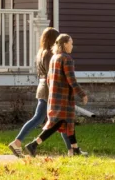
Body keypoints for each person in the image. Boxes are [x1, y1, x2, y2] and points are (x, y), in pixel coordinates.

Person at [22, 32, 87, 157]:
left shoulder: (54, 58)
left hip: (54, 96)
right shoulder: (67, 59)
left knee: (66, 123)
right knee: (57, 124)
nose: (72, 46)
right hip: (63, 98)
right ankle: (33, 145)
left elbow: (48, 79)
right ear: (65, 44)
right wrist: (82, 94)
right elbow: (71, 80)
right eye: (71, 43)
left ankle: (75, 149)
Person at [9, 27, 70, 156]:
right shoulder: (49, 55)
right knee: (60, 119)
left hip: (43, 88)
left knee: (50, 120)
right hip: (49, 90)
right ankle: (72, 150)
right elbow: (51, 75)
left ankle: (18, 142)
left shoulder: (41, 53)